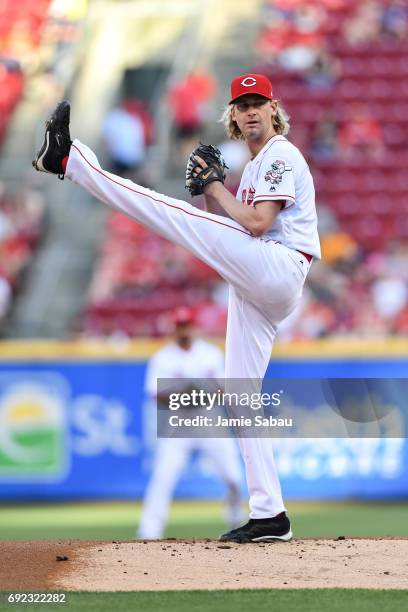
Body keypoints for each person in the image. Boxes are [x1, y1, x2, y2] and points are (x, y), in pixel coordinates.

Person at [32, 72, 321, 543]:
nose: (250, 110)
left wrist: (212, 188)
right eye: (241, 104)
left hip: (279, 266)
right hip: (261, 281)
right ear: (232, 114)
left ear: (274, 109)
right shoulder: (253, 168)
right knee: (240, 395)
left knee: (166, 213)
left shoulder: (280, 153)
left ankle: (69, 159)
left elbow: (254, 223)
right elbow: (227, 232)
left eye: (258, 102)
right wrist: (213, 191)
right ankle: (271, 513)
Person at [138, 306, 243, 540]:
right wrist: (183, 392)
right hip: (178, 425)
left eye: (186, 325)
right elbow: (155, 394)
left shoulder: (211, 354)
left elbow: (224, 390)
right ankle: (149, 531)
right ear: (173, 329)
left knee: (234, 478)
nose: (183, 330)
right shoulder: (162, 357)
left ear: (194, 327)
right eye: (179, 326)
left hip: (209, 422)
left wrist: (201, 392)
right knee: (163, 478)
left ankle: (236, 521)